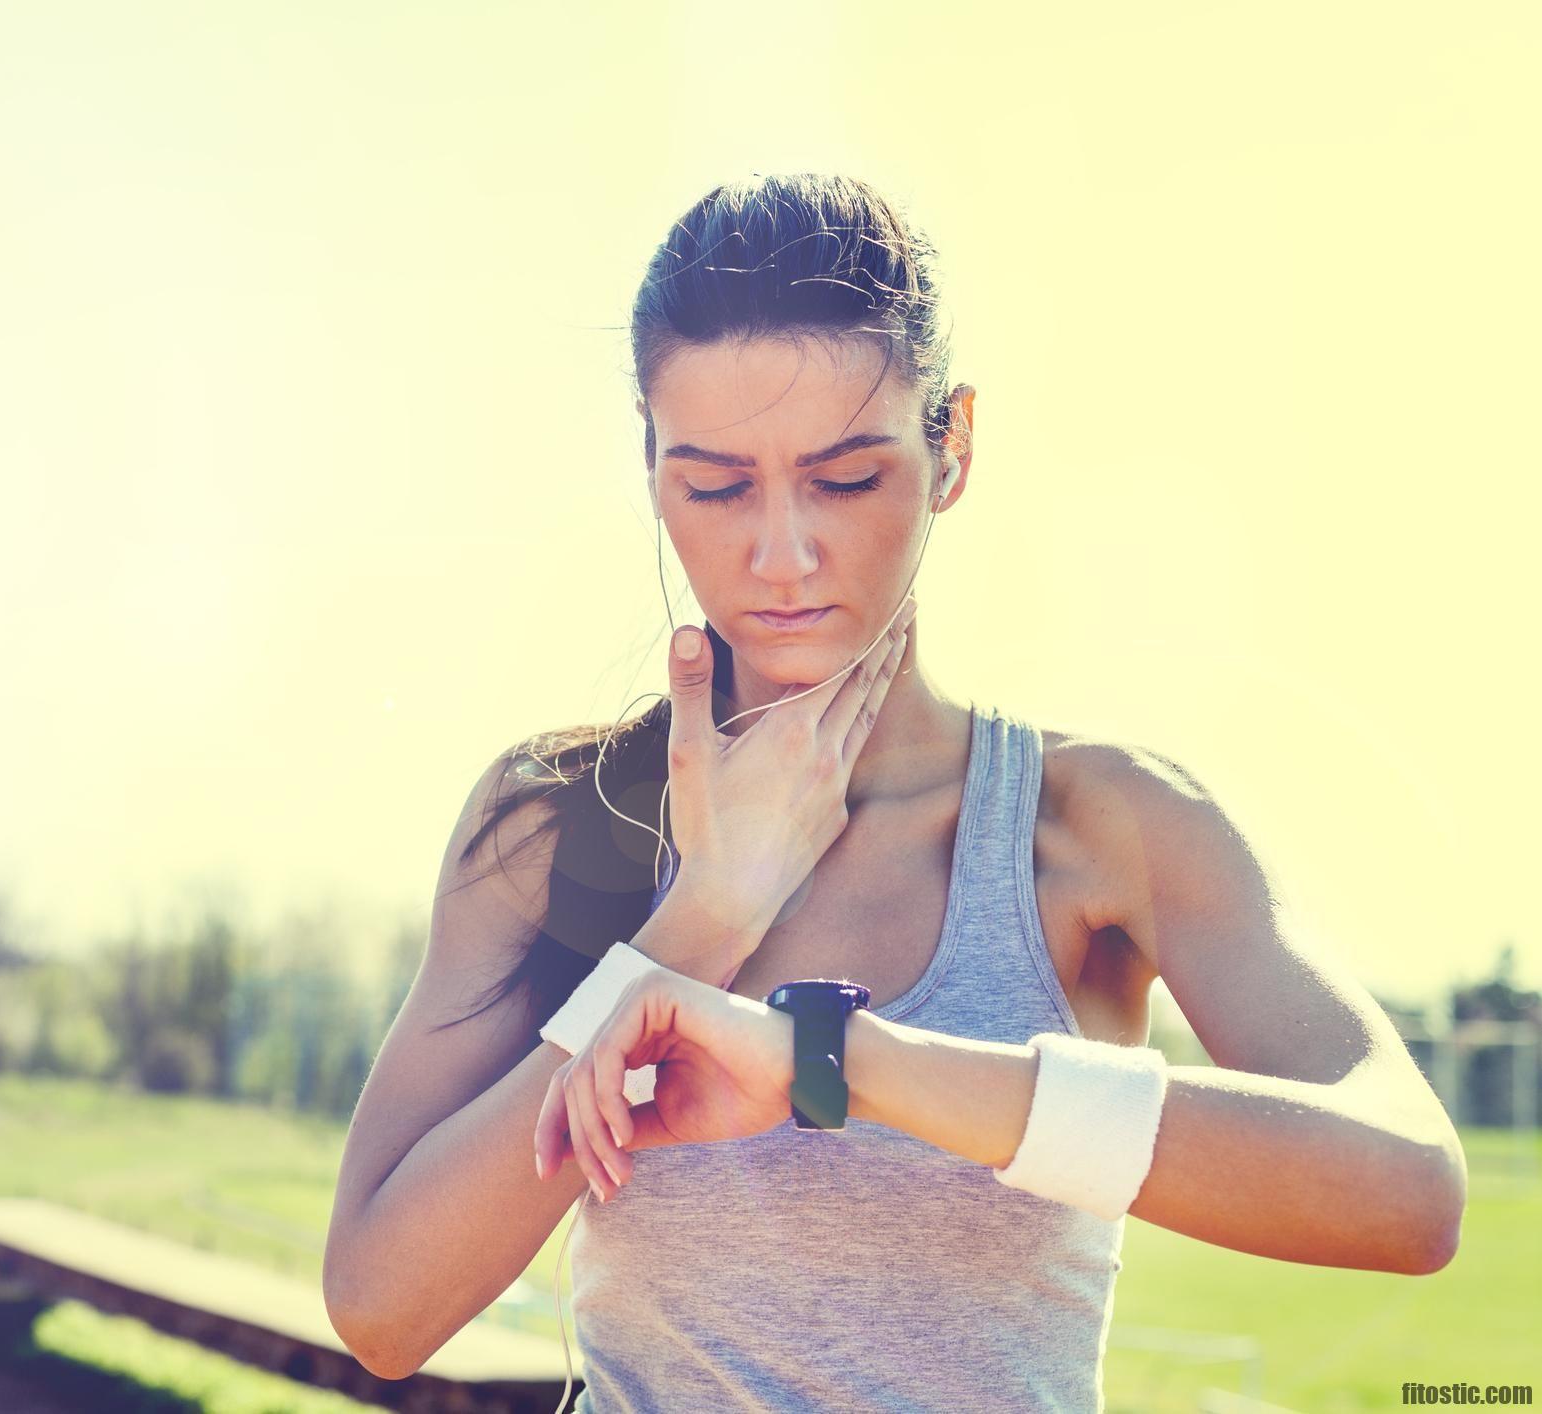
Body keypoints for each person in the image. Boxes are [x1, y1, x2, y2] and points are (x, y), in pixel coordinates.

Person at [322, 171, 1466, 1412]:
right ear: (650, 462)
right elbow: (384, 1308)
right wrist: (699, 922)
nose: (782, 554)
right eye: (715, 485)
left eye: (847, 478)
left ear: (952, 445)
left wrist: (840, 1061)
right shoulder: (556, 823)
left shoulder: (1098, 832)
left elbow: (1408, 1190)